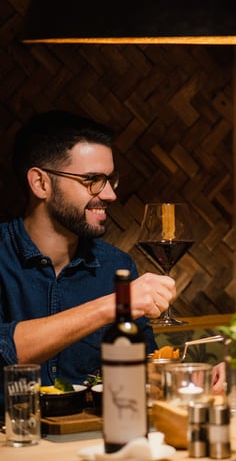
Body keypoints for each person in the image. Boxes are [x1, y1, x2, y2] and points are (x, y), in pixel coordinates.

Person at [0, 110, 175, 413]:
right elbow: (5, 350)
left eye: (110, 180)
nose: (108, 194)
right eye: (92, 180)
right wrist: (115, 304)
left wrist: (186, 377)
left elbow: (144, 367)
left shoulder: (115, 266)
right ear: (40, 183)